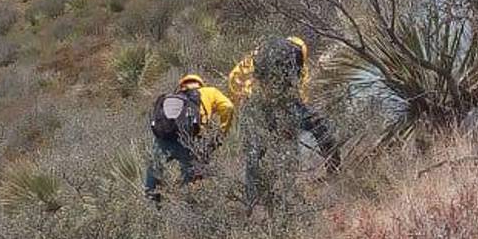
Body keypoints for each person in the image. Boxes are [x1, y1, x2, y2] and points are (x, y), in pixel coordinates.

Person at [228, 36, 340, 207]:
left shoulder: (259, 52)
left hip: (258, 106)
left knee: (255, 153)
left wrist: (244, 99)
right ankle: (334, 168)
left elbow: (233, 77)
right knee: (318, 126)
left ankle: (251, 201)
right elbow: (299, 89)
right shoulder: (296, 55)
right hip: (285, 104)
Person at [144, 73, 233, 204]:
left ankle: (151, 205)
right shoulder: (210, 92)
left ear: (182, 85)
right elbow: (228, 107)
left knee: (154, 170)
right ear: (200, 83)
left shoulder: (172, 97)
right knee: (191, 181)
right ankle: (189, 211)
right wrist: (221, 133)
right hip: (191, 141)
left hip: (164, 140)